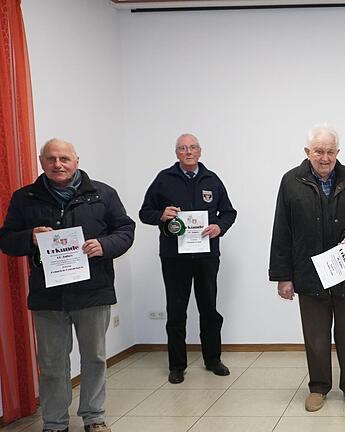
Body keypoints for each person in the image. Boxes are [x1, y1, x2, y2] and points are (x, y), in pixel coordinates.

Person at [0, 138, 135, 432]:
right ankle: (55, 422)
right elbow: (6, 239)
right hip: (48, 296)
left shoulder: (103, 194)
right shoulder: (25, 198)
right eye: (51, 159)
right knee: (51, 365)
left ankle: (94, 417)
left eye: (64, 158)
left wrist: (104, 244)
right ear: (41, 161)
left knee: (95, 359)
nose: (57, 164)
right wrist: (29, 237)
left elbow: (126, 230)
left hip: (93, 292)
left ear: (76, 160)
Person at [269, 124, 345, 412]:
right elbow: (281, 232)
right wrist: (283, 277)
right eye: (319, 151)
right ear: (307, 152)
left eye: (330, 151)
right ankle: (318, 387)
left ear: (338, 152)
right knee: (316, 337)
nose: (325, 157)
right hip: (308, 275)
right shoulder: (291, 182)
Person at [139, 133, 237, 384]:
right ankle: (176, 365)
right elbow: (144, 212)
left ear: (200, 151)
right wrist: (161, 214)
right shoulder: (164, 179)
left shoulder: (212, 180)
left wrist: (219, 227)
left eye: (192, 147)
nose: (188, 152)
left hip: (206, 255)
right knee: (176, 311)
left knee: (209, 309)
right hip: (174, 257)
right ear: (177, 153)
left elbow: (228, 212)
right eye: (183, 148)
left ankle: (213, 359)